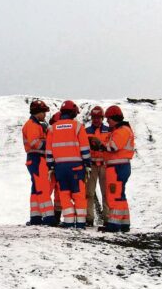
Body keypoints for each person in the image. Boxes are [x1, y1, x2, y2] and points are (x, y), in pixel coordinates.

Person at [45, 100, 91, 228]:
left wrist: (51, 166)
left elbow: (48, 151)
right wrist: (88, 164)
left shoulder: (52, 128)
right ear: (73, 112)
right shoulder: (77, 127)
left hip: (59, 167)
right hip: (76, 166)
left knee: (64, 194)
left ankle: (69, 221)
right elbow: (85, 149)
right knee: (78, 194)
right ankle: (81, 222)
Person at [92, 105, 135, 233]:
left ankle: (114, 224)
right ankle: (124, 222)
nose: (107, 122)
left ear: (114, 118)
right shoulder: (121, 130)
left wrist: (100, 145)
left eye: (108, 119)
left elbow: (113, 147)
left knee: (114, 195)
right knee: (120, 195)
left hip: (117, 167)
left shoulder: (121, 131)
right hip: (120, 166)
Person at [22, 99, 55, 225]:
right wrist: (50, 144)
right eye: (43, 112)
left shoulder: (37, 125)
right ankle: (49, 218)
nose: (45, 115)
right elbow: (34, 143)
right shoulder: (32, 125)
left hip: (36, 159)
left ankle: (35, 217)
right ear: (38, 112)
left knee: (36, 189)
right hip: (37, 158)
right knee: (43, 188)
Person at [85, 106, 111, 227]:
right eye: (94, 117)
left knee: (106, 193)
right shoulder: (86, 131)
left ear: (102, 118)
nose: (96, 120)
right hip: (92, 165)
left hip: (105, 166)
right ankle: (89, 218)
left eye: (98, 117)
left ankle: (108, 218)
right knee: (89, 193)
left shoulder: (109, 130)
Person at [47, 110, 63, 226]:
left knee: (58, 193)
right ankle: (51, 217)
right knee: (52, 191)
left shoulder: (51, 132)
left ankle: (54, 217)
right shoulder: (52, 133)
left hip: (55, 166)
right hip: (55, 166)